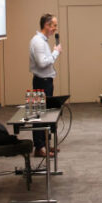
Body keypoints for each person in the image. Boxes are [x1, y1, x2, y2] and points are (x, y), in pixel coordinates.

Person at [28, 13, 61, 154]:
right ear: (46, 25)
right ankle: (39, 147)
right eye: (54, 25)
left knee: (45, 115)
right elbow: (42, 63)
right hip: (41, 82)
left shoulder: (42, 41)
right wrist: (55, 53)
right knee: (38, 115)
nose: (55, 28)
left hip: (45, 81)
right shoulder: (38, 42)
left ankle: (45, 145)